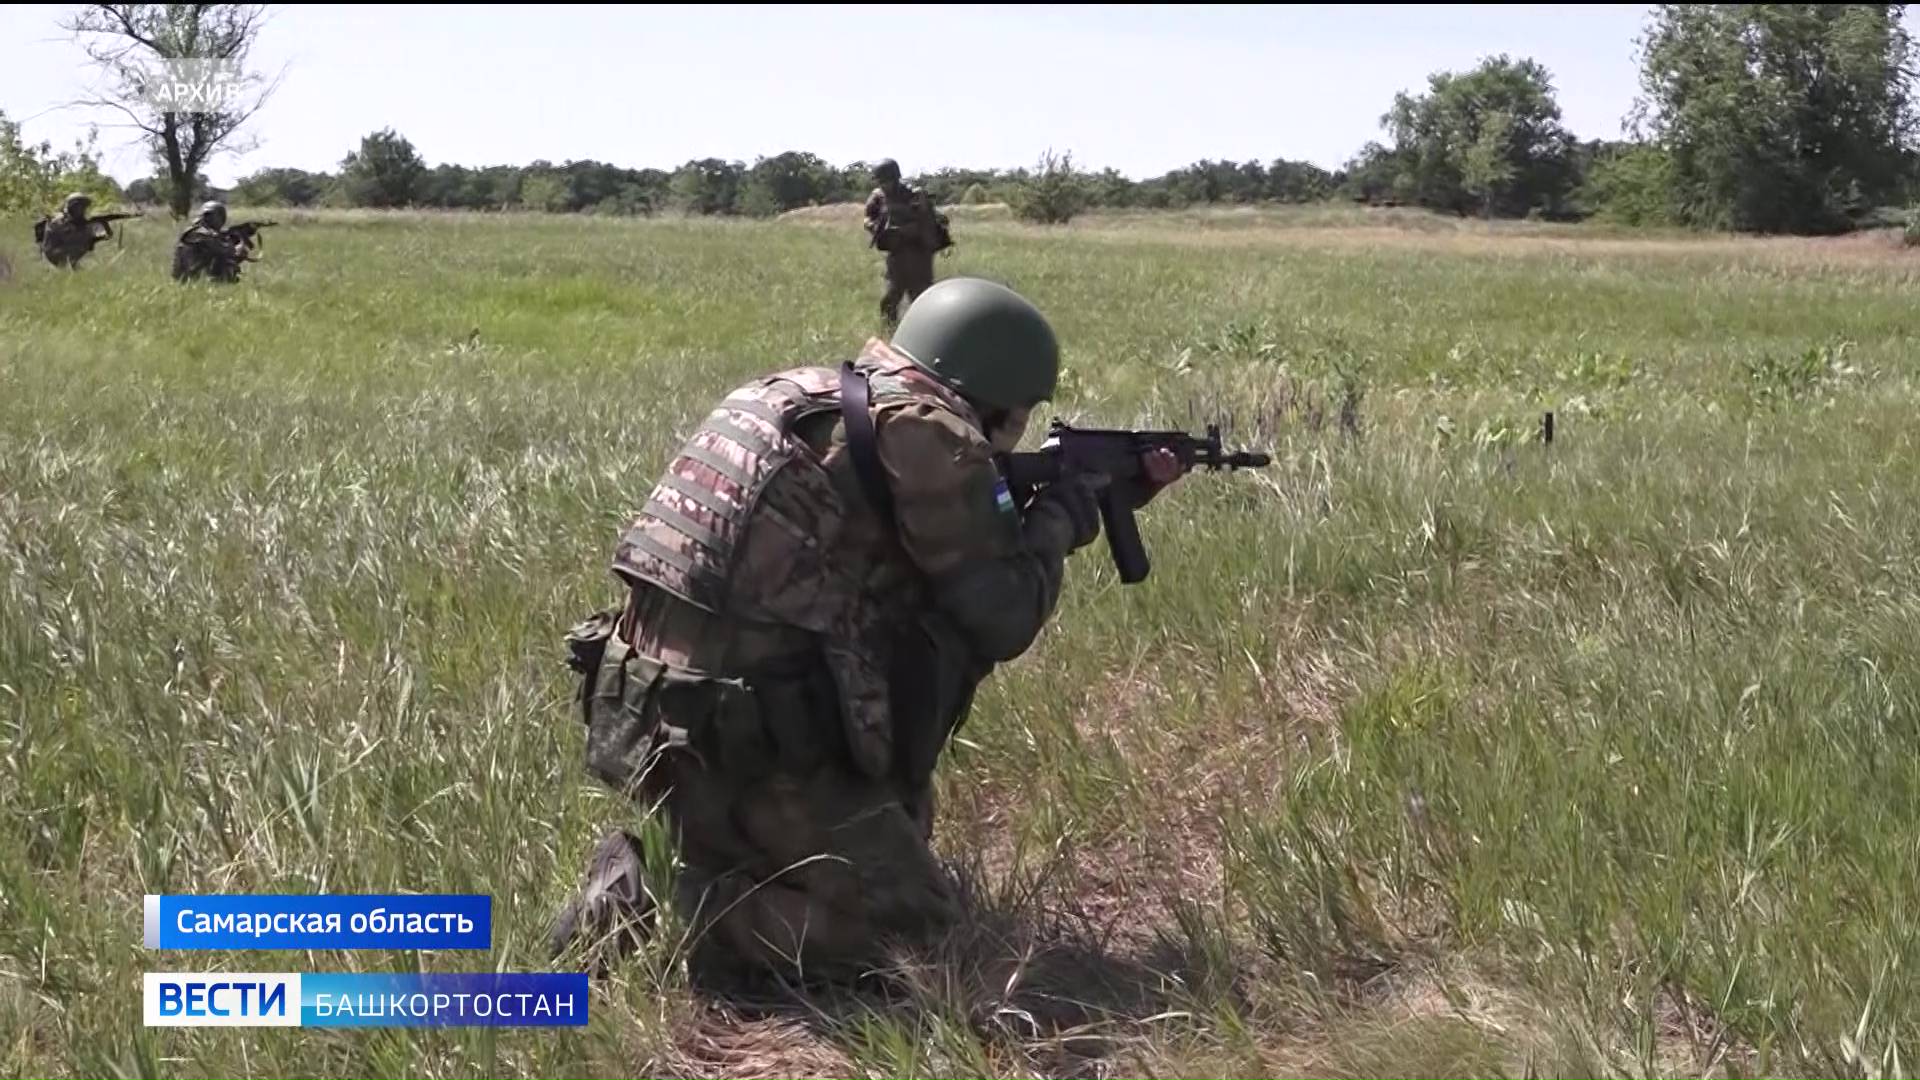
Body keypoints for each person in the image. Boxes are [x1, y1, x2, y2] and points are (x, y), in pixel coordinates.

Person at [552, 277, 1187, 986]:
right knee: (912, 937)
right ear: (1000, 397)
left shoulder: (793, 393)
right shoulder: (928, 434)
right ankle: (663, 904)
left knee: (894, 829)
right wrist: (1062, 519)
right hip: (754, 737)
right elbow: (1001, 617)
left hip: (647, 716)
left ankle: (722, 854)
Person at [863, 159, 952, 327]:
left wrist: (908, 229)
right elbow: (868, 217)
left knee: (921, 299)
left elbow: (927, 224)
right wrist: (874, 227)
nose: (883, 185)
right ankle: (890, 333)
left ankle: (925, 334)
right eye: (880, 181)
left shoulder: (914, 195)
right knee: (889, 300)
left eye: (886, 181)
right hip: (896, 254)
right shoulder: (878, 197)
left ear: (895, 178)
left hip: (919, 255)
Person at [34, 193, 126, 268]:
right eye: (79, 207)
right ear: (71, 207)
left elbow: (100, 239)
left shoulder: (81, 224)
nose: (82, 211)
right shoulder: (59, 221)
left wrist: (104, 224)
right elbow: (68, 239)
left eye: (83, 208)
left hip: (69, 260)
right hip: (55, 258)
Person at [171, 201, 249, 283]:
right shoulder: (202, 233)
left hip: (186, 279)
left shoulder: (194, 231)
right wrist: (239, 246)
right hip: (193, 281)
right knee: (228, 263)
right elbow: (226, 251)